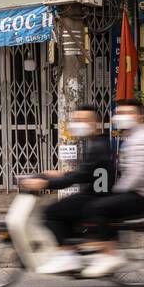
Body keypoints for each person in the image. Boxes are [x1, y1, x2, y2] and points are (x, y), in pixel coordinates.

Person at [79, 98, 144, 278]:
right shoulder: (135, 136)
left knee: (95, 207)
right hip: (142, 191)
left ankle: (108, 255)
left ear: (141, 117)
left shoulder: (143, 140)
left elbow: (136, 175)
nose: (122, 117)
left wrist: (116, 192)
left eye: (128, 113)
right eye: (120, 113)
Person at [21, 105, 114, 275]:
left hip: (95, 197)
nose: (79, 123)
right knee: (65, 210)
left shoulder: (97, 147)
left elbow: (79, 177)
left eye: (84, 120)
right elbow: (87, 172)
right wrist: (60, 173)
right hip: (95, 193)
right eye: (77, 120)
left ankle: (66, 253)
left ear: (96, 124)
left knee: (51, 212)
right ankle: (76, 249)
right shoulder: (98, 142)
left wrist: (46, 184)